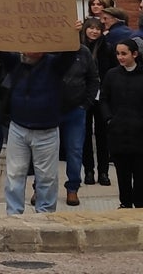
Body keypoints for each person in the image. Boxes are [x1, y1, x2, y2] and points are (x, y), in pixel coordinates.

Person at [0, 44, 78, 215]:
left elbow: (71, 51)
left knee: (47, 178)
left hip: (47, 131)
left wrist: (74, 33)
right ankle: (14, 215)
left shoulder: (55, 64)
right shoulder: (15, 62)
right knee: (14, 174)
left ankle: (45, 216)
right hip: (18, 128)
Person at [100, 37, 143, 208]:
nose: (120, 57)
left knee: (140, 175)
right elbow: (103, 99)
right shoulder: (112, 75)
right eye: (118, 54)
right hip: (118, 133)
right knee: (122, 173)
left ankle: (140, 207)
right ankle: (124, 204)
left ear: (134, 54)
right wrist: (109, 118)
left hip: (140, 135)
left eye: (124, 54)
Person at [58, 28, 98, 206]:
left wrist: (85, 104)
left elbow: (93, 79)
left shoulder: (84, 52)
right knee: (45, 153)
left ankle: (73, 188)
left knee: (75, 151)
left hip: (76, 110)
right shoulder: (51, 52)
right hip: (51, 110)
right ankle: (41, 187)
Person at [82, 17, 112, 187]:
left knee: (102, 135)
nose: (94, 31)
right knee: (85, 134)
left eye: (98, 29)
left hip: (103, 96)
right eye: (91, 28)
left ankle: (103, 171)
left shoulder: (106, 48)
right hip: (84, 96)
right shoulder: (79, 48)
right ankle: (88, 170)